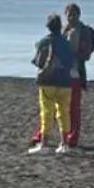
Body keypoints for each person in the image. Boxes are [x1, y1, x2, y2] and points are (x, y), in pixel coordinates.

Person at [30, 1, 94, 150]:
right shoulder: (65, 30)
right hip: (61, 73)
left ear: (78, 15)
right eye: (69, 15)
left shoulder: (83, 31)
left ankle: (70, 138)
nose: (71, 17)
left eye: (74, 15)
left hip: (74, 74)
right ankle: (43, 136)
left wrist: (71, 55)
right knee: (52, 109)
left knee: (71, 109)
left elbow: (85, 54)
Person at [28, 12, 76, 154]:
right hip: (65, 81)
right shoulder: (66, 43)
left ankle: (44, 144)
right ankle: (64, 143)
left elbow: (37, 62)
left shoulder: (44, 42)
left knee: (47, 113)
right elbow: (71, 62)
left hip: (48, 81)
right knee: (64, 113)